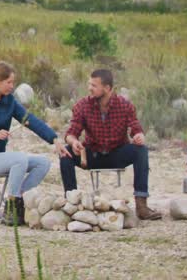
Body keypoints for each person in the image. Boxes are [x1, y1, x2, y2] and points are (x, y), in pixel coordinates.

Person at [0, 60, 70, 225]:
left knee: (43, 163)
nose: (12, 86)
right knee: (19, 159)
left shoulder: (9, 102)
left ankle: (18, 200)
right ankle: (12, 209)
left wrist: (54, 139)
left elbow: (31, 120)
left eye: (13, 82)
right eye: (9, 82)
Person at [60, 69, 163, 221]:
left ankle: (141, 205)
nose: (89, 88)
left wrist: (139, 136)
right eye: (89, 84)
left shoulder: (125, 105)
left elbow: (136, 128)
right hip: (92, 154)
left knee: (141, 150)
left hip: (117, 154)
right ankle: (72, 202)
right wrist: (74, 142)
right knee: (65, 153)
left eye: (94, 85)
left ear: (107, 88)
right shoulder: (83, 105)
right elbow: (71, 133)